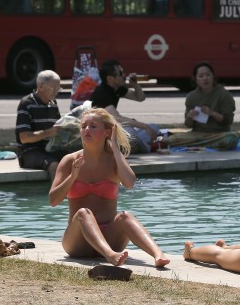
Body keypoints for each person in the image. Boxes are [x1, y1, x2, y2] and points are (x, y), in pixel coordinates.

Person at [49, 107, 170, 268]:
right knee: (83, 212)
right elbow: (53, 201)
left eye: (93, 126)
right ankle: (110, 255)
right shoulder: (70, 161)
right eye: (84, 126)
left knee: (125, 216)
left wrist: (115, 149)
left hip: (110, 237)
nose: (87, 130)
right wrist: (73, 177)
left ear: (107, 132)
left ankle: (158, 254)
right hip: (78, 241)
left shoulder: (114, 160)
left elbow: (129, 183)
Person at [165, 62, 239, 150]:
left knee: (231, 138)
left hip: (219, 134)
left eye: (208, 75)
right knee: (171, 139)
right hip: (197, 134)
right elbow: (189, 125)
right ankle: (208, 145)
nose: (205, 78)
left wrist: (212, 113)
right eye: (201, 76)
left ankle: (199, 145)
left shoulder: (224, 94)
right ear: (195, 79)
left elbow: (228, 121)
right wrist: (190, 116)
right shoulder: (191, 97)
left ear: (213, 77)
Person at [90, 60, 159, 153]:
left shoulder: (117, 89)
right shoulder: (101, 93)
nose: (124, 75)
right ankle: (148, 148)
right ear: (110, 79)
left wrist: (135, 84)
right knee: (130, 133)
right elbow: (117, 119)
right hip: (101, 133)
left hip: (114, 130)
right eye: (120, 73)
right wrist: (144, 126)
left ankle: (136, 146)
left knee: (154, 127)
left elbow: (140, 98)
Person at [15, 70, 66, 179]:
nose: (56, 92)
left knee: (76, 159)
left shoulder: (53, 104)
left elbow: (56, 130)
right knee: (54, 165)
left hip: (50, 148)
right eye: (53, 88)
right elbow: (24, 138)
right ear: (41, 86)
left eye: (58, 88)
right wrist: (48, 133)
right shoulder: (26, 103)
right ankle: (57, 191)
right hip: (29, 152)